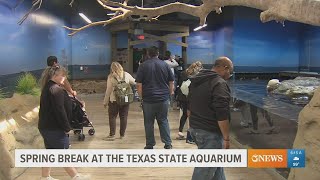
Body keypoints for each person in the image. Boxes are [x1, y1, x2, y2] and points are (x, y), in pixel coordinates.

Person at [38, 65, 90, 180]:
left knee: (50, 152)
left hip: (46, 127)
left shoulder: (49, 87)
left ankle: (45, 177)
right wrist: (66, 127)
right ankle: (75, 176)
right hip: (54, 128)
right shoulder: (55, 89)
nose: (64, 77)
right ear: (54, 75)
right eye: (62, 75)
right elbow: (59, 110)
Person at [188, 56, 233, 180]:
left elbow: (189, 105)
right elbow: (222, 114)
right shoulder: (219, 84)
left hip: (196, 128)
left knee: (216, 167)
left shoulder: (197, 80)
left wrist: (191, 125)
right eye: (230, 71)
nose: (230, 75)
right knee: (204, 171)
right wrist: (226, 138)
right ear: (225, 68)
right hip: (210, 133)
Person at [136, 46, 175, 149]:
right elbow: (171, 82)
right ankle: (167, 144)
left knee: (148, 122)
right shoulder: (165, 65)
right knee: (163, 120)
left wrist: (141, 98)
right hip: (163, 99)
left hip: (148, 99)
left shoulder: (143, 66)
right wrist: (170, 94)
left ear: (148, 54)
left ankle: (150, 145)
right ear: (158, 54)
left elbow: (139, 85)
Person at [103, 62, 136, 140]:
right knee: (124, 117)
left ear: (112, 69)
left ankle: (112, 135)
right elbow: (135, 82)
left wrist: (105, 102)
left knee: (112, 117)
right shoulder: (126, 75)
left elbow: (108, 90)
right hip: (125, 99)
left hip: (114, 100)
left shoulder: (111, 77)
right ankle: (122, 135)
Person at [176, 61, 202, 142]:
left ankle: (180, 131)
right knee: (191, 116)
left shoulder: (184, 73)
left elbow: (179, 84)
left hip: (182, 97)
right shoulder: (196, 75)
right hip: (190, 98)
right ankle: (190, 137)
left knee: (184, 115)